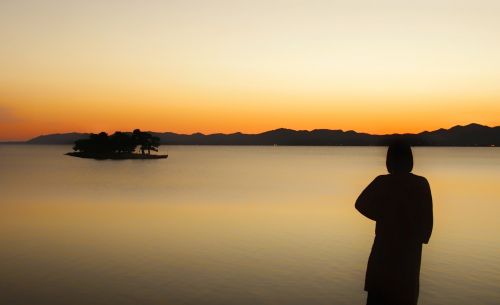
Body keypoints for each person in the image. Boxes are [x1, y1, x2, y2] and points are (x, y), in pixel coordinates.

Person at [355, 141, 433, 305]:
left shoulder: (382, 182)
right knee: (405, 296)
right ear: (410, 160)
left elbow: (360, 204)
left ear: (389, 161)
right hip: (409, 252)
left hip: (384, 249)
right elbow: (427, 223)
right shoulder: (421, 184)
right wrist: (418, 234)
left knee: (378, 295)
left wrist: (382, 216)